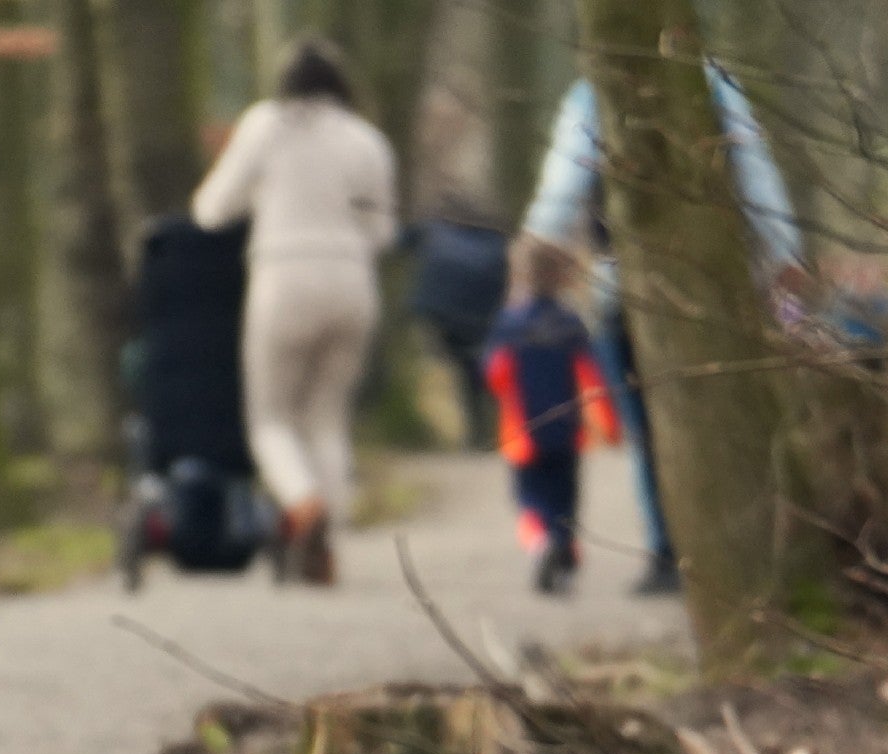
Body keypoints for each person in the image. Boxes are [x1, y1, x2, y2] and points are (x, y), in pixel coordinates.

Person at [521, 66, 804, 595]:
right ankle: (731, 550)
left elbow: (563, 186)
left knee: (647, 425)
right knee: (721, 415)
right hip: (713, 284)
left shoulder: (593, 87)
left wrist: (536, 256)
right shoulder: (715, 84)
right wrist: (782, 260)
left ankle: (668, 554)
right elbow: (757, 179)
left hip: (624, 283)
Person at [190, 37, 396, 586]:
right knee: (327, 414)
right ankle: (329, 534)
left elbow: (210, 210)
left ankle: (305, 507)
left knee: (271, 418)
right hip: (352, 281)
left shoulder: (264, 126)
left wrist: (263, 200)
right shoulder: (366, 140)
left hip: (282, 276)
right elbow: (382, 231)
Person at [483, 236, 619, 595]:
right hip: (567, 434)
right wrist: (609, 426)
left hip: (523, 436)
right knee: (565, 501)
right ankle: (565, 548)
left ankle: (541, 544)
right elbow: (592, 378)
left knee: (530, 500)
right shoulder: (571, 324)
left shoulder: (510, 325)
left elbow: (495, 374)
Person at [401, 204, 511, 449]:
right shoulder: (497, 244)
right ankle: (487, 434)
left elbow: (399, 241)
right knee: (477, 373)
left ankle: (477, 435)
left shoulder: (433, 230)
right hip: (482, 319)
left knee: (467, 373)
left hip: (444, 316)